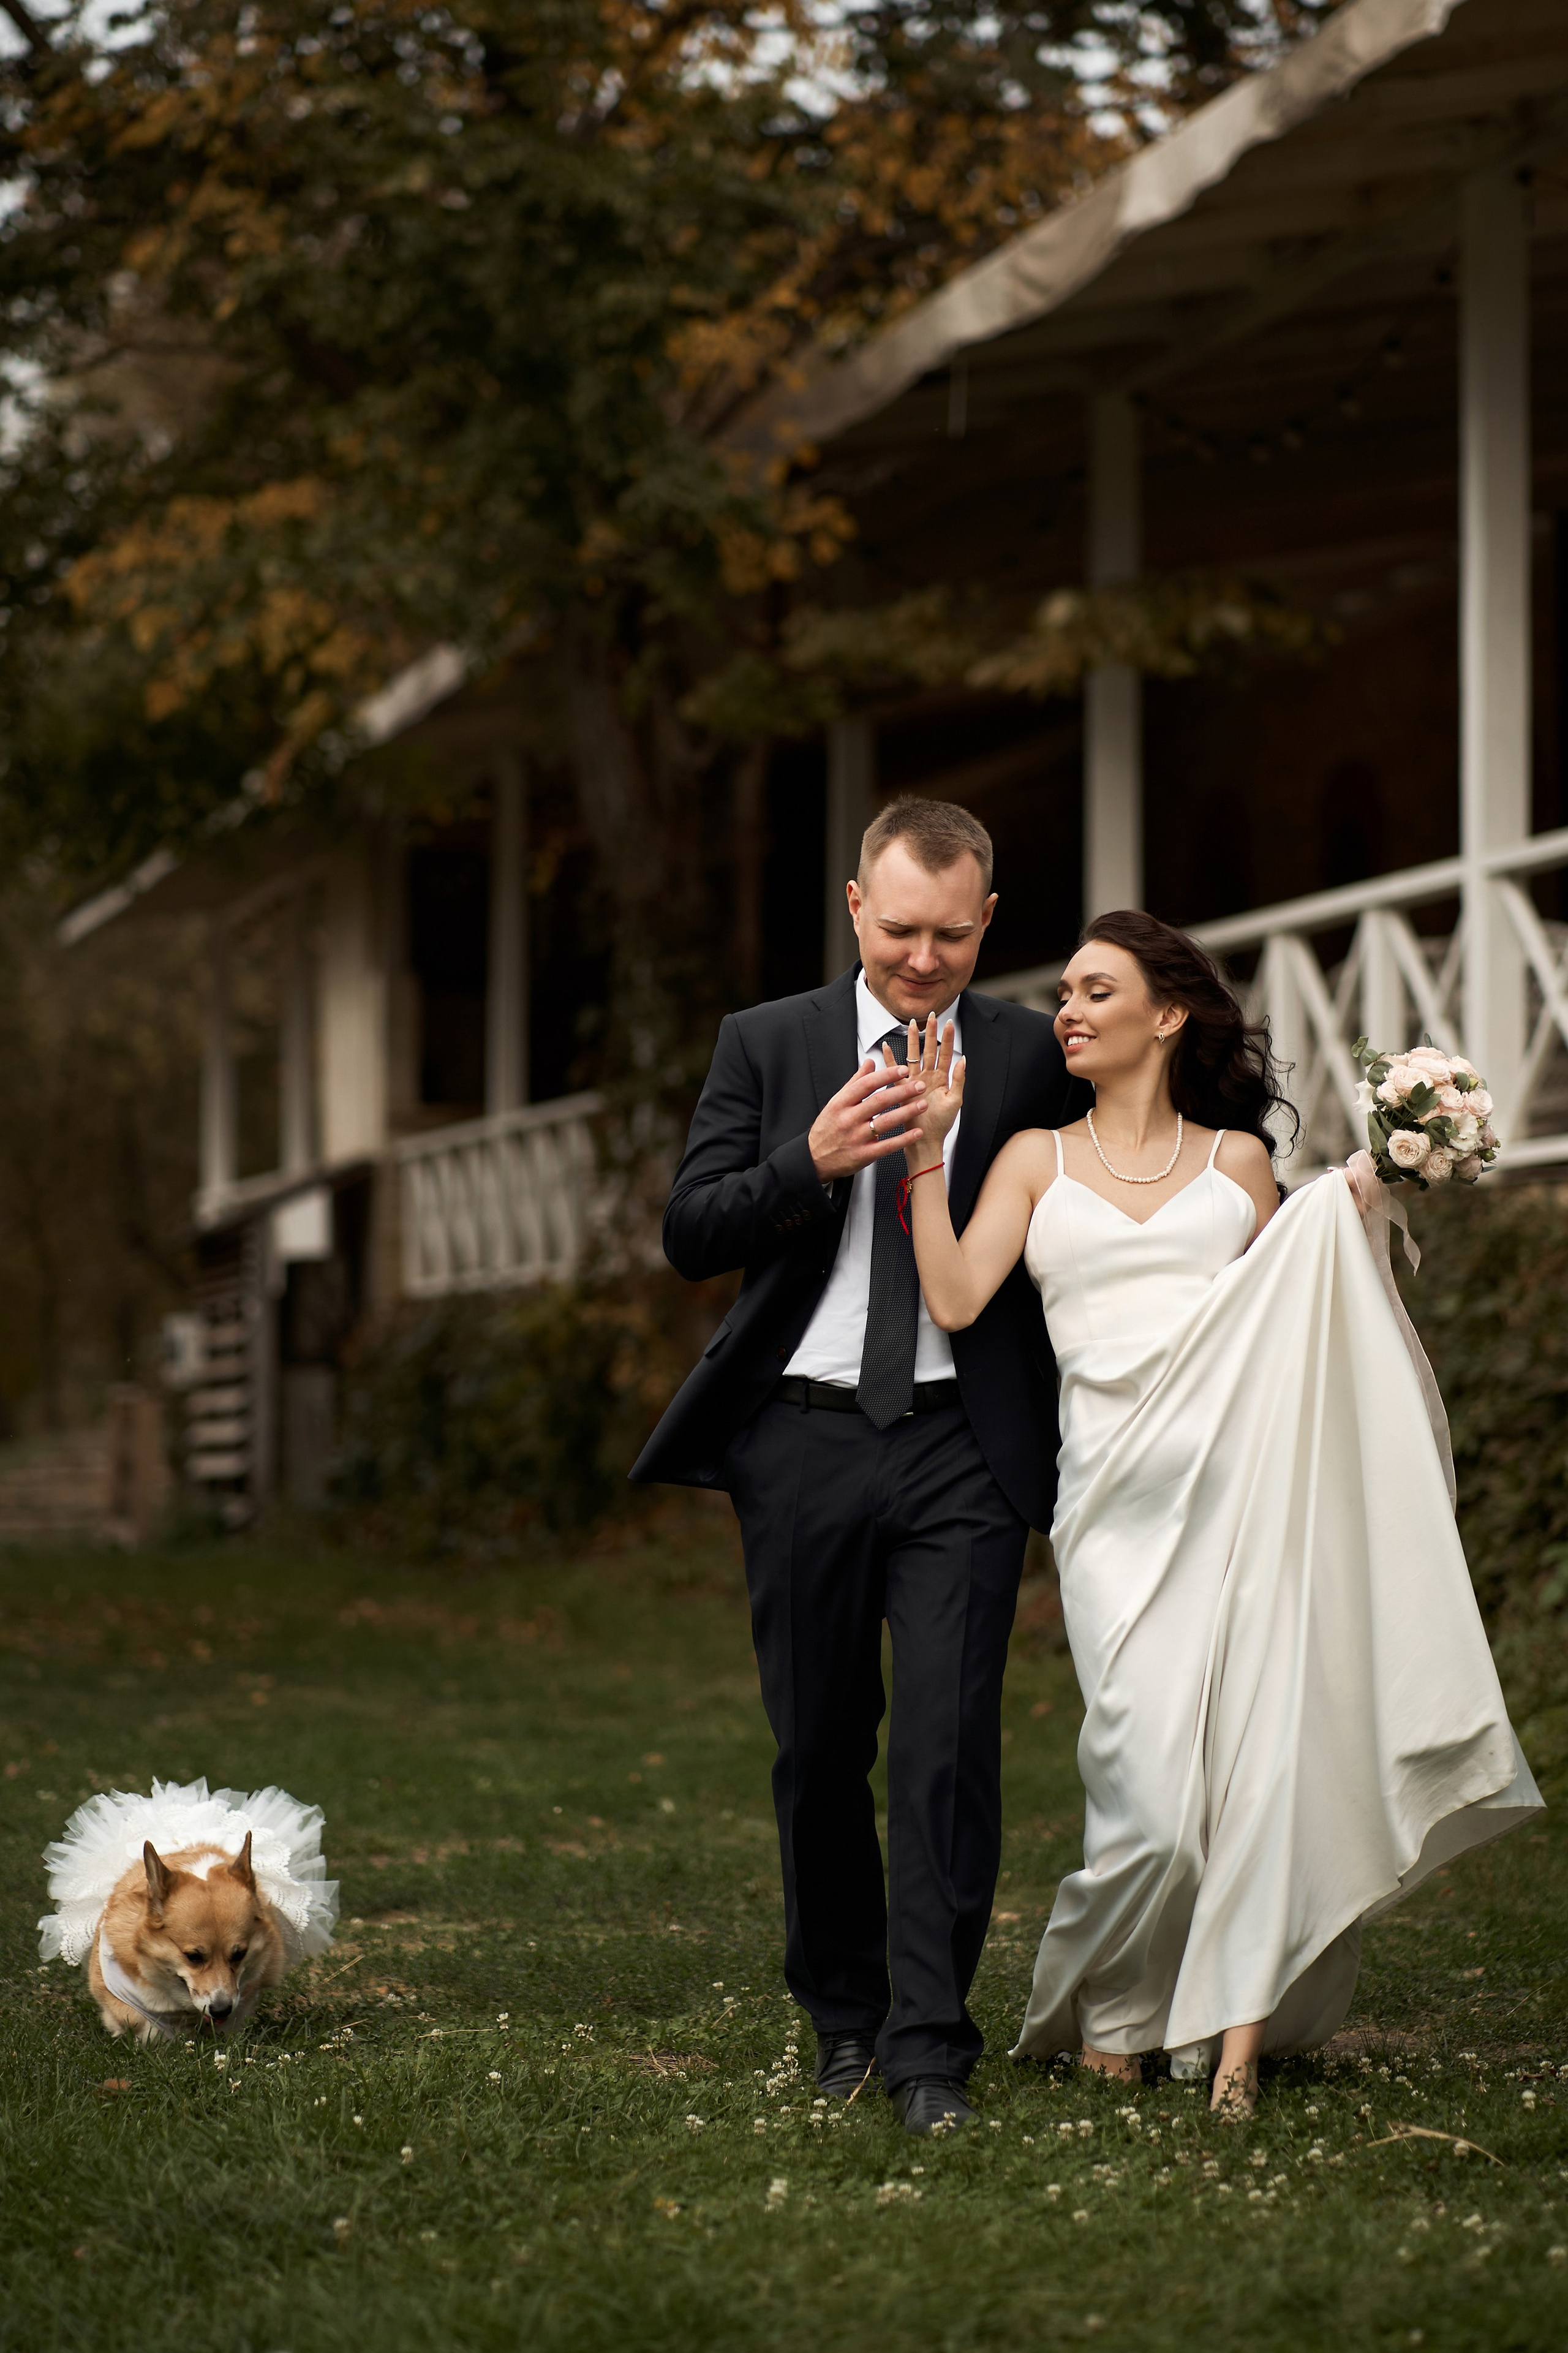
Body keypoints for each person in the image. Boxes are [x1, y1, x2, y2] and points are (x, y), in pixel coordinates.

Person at [894, 907, 1542, 2118]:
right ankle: (1107, 1997)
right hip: (1105, 1498)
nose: (1067, 1014)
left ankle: (1160, 2019)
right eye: (1063, 997)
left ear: (1168, 1012)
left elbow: (1291, 1305)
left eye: (1095, 991)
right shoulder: (1032, 1157)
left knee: (1229, 1777)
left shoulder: (1239, 1163)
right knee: (1144, 1798)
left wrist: (1370, 1180)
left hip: (1232, 1493)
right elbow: (952, 1289)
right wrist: (928, 1154)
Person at [630, 796, 1087, 2133]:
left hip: (963, 1442)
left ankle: (928, 2044)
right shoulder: (764, 1043)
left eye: (952, 934)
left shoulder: (1025, 1053)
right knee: (820, 1745)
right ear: (853, 908)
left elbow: (1130, 1156)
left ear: (986, 921)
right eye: (899, 930)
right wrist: (809, 1158)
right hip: (804, 1435)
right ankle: (840, 2020)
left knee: (949, 1748)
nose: (924, 958)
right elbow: (688, 1230)